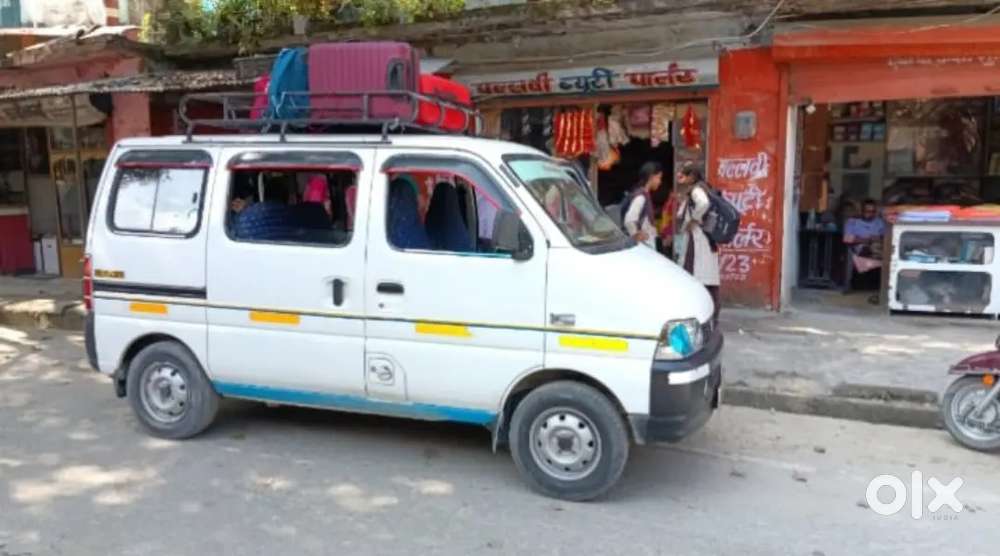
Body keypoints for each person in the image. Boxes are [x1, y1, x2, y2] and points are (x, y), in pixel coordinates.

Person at [674, 163, 721, 324]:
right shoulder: (702, 188)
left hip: (698, 239)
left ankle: (701, 313)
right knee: (706, 278)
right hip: (703, 239)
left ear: (691, 177)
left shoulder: (696, 190)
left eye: (684, 175)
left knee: (694, 275)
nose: (681, 177)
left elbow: (703, 204)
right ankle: (709, 315)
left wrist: (693, 219)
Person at [622, 161, 663, 249]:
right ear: (651, 177)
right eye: (659, 178)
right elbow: (629, 220)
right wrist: (636, 235)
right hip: (644, 245)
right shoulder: (641, 197)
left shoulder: (644, 194)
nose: (660, 181)